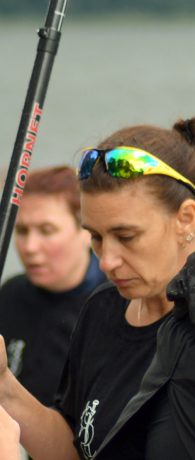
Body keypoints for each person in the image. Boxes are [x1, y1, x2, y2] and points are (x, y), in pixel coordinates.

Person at [0, 116, 195, 460]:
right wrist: (4, 385)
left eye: (126, 236)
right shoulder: (103, 306)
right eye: (97, 237)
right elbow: (74, 447)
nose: (106, 262)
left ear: (186, 218)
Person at [0, 166, 106, 409]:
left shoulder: (115, 303)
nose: (30, 247)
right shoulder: (11, 294)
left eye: (47, 231)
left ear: (86, 231)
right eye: (22, 231)